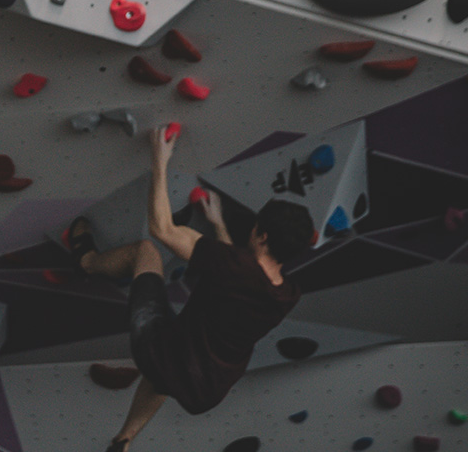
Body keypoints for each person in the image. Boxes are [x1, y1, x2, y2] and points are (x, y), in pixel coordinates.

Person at [66, 126, 315, 452]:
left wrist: (160, 160)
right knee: (164, 377)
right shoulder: (288, 295)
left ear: (263, 236)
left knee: (146, 252)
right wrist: (219, 224)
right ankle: (123, 441)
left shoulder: (235, 267)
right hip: (207, 385)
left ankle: (87, 262)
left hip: (165, 349)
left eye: (256, 227)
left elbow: (162, 228)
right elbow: (235, 273)